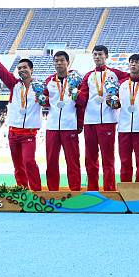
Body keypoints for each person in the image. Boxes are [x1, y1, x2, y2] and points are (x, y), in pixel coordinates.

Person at [76, 45, 139, 191]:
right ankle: (92, 190)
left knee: (108, 159)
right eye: (95, 54)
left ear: (106, 56)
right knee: (90, 158)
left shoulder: (116, 74)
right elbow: (82, 98)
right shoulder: (88, 76)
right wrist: (75, 95)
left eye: (100, 54)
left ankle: (109, 189)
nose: (97, 57)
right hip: (90, 121)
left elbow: (133, 77)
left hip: (108, 120)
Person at [0, 54, 42, 190]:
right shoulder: (14, 85)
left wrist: (43, 98)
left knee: (29, 162)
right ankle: (22, 190)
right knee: (18, 165)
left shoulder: (40, 87)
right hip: (13, 133)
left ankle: (37, 192)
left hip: (28, 133)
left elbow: (48, 102)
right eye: (19, 68)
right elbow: (1, 71)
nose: (21, 70)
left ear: (32, 69)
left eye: (24, 67)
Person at [42, 51, 82, 191]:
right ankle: (53, 191)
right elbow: (45, 102)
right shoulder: (49, 81)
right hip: (52, 127)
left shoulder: (76, 80)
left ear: (67, 62)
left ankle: (75, 190)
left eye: (62, 60)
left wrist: (79, 124)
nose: (59, 63)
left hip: (69, 126)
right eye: (56, 60)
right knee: (51, 161)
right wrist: (42, 100)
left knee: (72, 161)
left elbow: (81, 104)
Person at [117, 54, 139, 182]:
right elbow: (116, 103)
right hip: (123, 128)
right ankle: (125, 187)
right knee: (124, 161)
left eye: (136, 62)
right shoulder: (121, 84)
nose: (133, 64)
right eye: (131, 62)